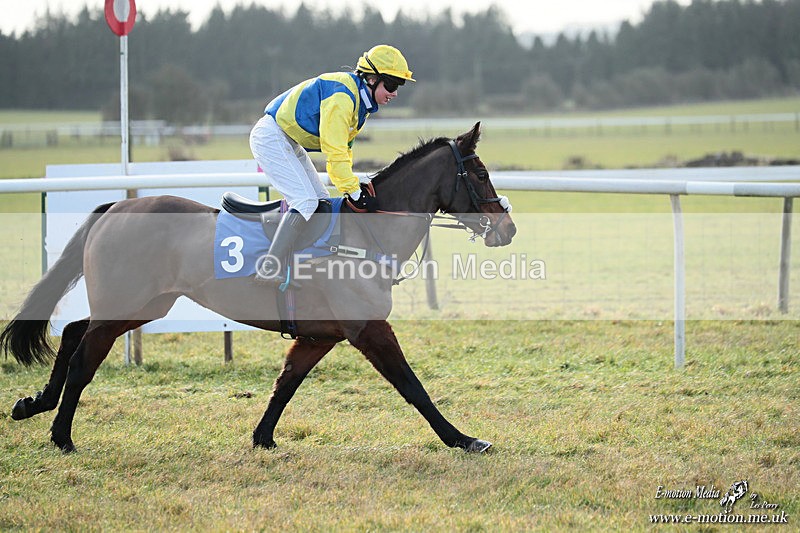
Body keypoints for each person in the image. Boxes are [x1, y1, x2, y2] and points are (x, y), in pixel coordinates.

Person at [249, 44, 415, 282]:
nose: (395, 93)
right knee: (306, 202)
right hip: (271, 136)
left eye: (399, 86)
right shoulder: (343, 98)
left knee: (321, 201)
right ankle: (269, 268)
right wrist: (353, 191)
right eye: (391, 85)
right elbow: (334, 151)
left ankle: (302, 264)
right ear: (371, 79)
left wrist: (352, 186)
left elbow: (345, 152)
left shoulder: (360, 103)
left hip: (288, 139)